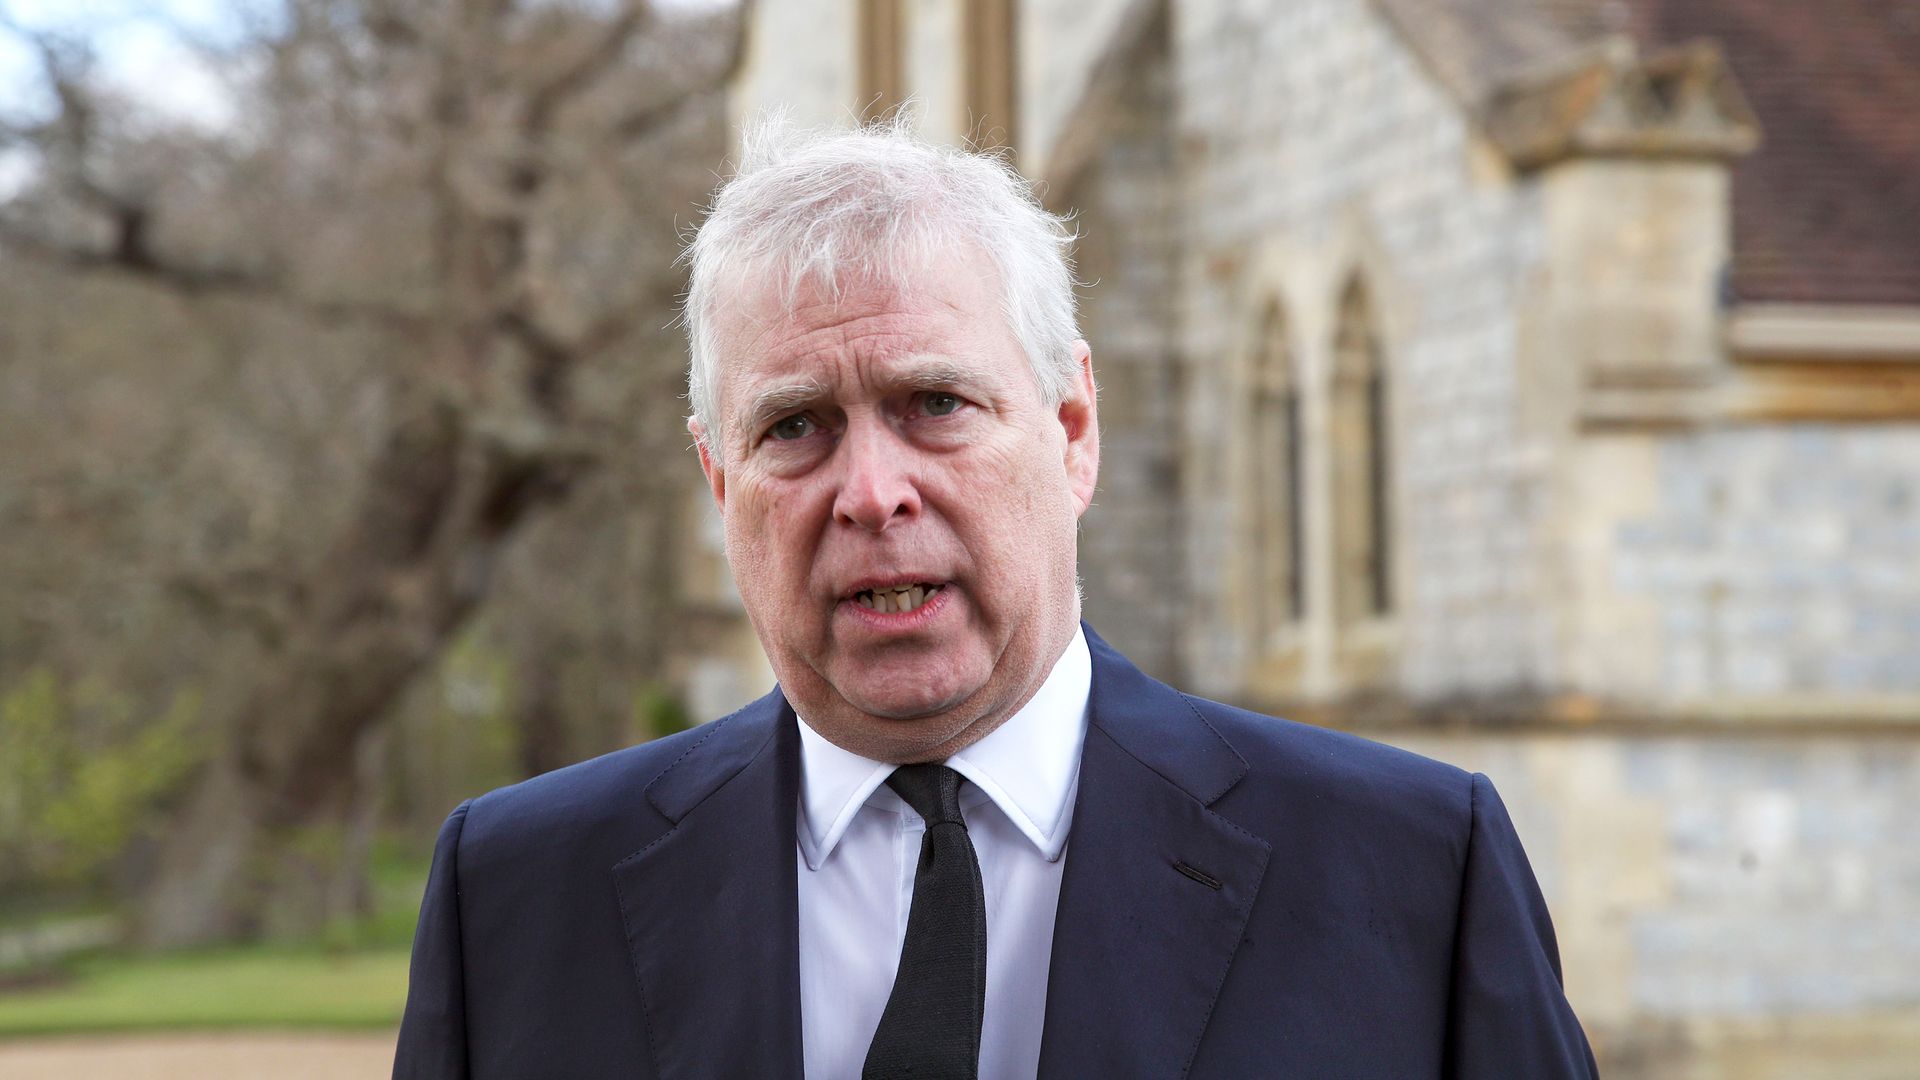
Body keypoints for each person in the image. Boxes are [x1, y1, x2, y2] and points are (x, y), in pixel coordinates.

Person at [393, 118, 1599, 1079]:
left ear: (1072, 432)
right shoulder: (516, 899)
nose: (873, 493)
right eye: (796, 427)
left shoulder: (1411, 872)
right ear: (720, 481)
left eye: (936, 405)